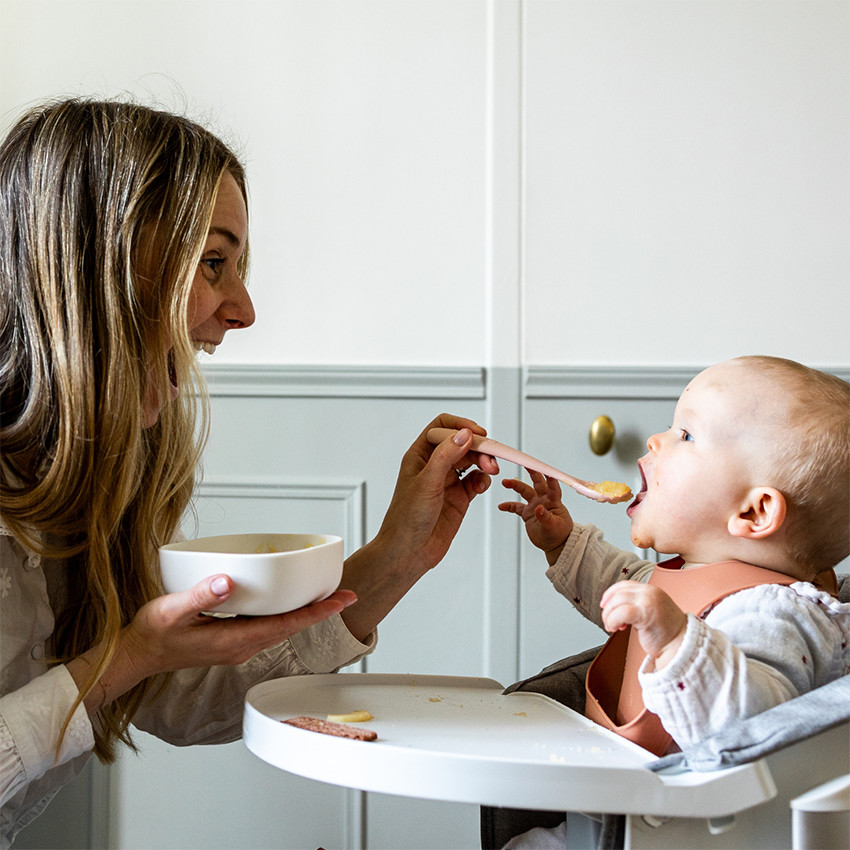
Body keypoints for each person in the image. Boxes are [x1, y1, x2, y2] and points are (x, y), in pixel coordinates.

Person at [0, 97, 498, 846]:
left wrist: (399, 554)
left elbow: (179, 699)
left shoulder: (91, 479)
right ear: (95, 265)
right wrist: (129, 653)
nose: (243, 309)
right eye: (214, 263)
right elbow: (135, 669)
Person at [495, 355, 850, 849]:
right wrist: (563, 540)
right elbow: (616, 583)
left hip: (694, 830)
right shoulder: (684, 577)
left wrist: (678, 640)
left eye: (686, 436)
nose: (655, 441)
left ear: (753, 510)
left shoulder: (776, 613)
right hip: (622, 811)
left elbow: (760, 726)